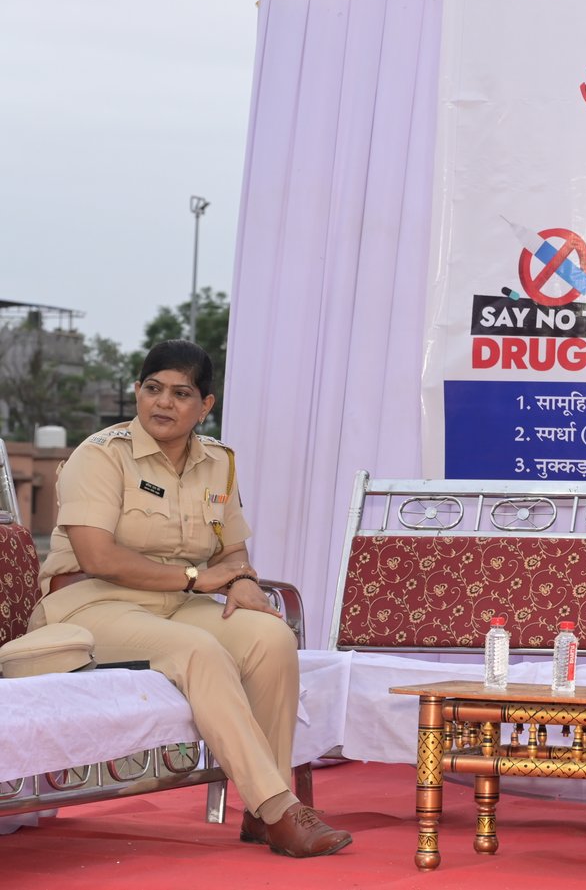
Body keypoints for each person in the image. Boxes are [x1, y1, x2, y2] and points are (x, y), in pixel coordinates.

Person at [30, 340, 351, 858]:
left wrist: (241, 578)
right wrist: (195, 577)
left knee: (271, 636)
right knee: (199, 651)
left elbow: (232, 548)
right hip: (95, 604)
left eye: (181, 394)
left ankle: (261, 815)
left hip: (178, 602)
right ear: (137, 391)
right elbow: (97, 557)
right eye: (153, 389)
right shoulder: (100, 454)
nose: (163, 403)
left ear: (205, 405)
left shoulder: (218, 461)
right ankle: (278, 807)